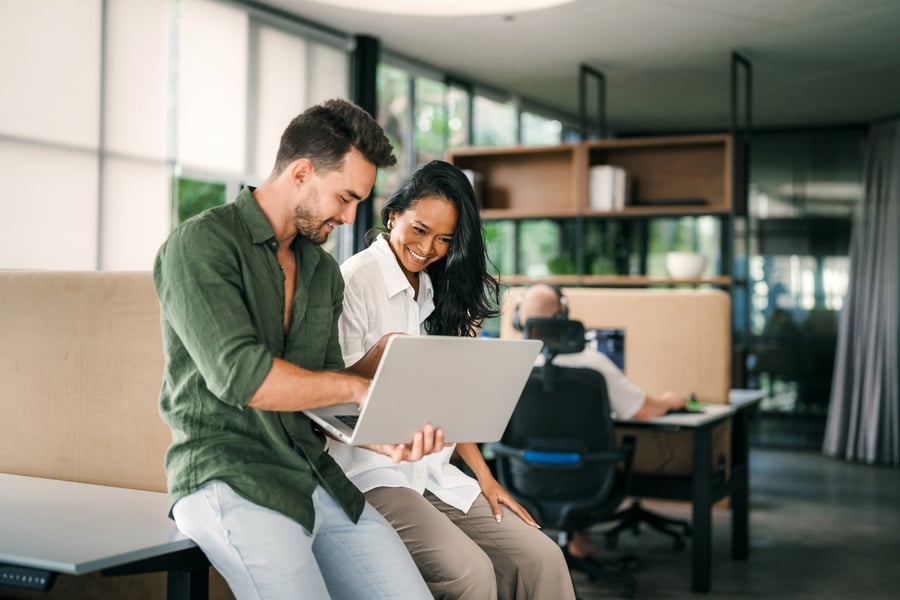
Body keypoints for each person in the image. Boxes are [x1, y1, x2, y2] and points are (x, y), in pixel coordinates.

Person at [153, 99, 443, 600]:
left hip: (313, 476)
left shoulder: (322, 270)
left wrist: (385, 434)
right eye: (345, 198)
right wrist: (357, 386)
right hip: (229, 472)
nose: (352, 218)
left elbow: (323, 390)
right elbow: (241, 376)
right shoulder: (201, 245)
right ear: (302, 172)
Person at [330, 160, 576, 600]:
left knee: (541, 556)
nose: (429, 248)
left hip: (433, 474)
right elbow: (334, 394)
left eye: (445, 239)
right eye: (420, 230)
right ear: (393, 216)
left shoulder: (430, 287)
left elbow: (449, 403)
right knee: (471, 572)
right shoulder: (356, 279)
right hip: (371, 474)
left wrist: (486, 477)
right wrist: (385, 352)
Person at [513, 282, 688, 558]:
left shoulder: (510, 363)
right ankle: (576, 539)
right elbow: (643, 410)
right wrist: (670, 400)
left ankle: (574, 540)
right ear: (563, 316)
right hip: (590, 482)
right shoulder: (592, 364)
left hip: (524, 479)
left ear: (518, 318)